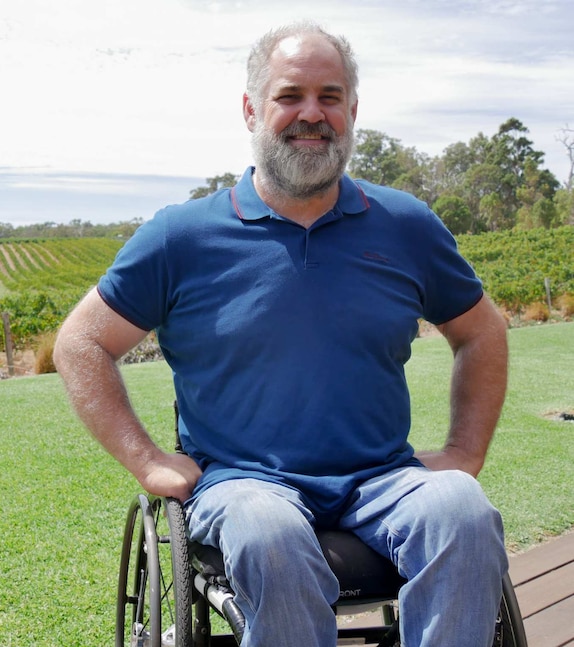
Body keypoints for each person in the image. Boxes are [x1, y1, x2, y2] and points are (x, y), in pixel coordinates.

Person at [53, 21, 509, 647]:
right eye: (290, 95)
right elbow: (81, 343)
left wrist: (463, 453)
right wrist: (149, 460)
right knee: (268, 531)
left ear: (352, 110)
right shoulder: (181, 237)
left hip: (381, 478)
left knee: (462, 508)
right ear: (251, 109)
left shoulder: (406, 225)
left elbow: (482, 330)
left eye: (330, 96)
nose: (311, 114)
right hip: (243, 483)